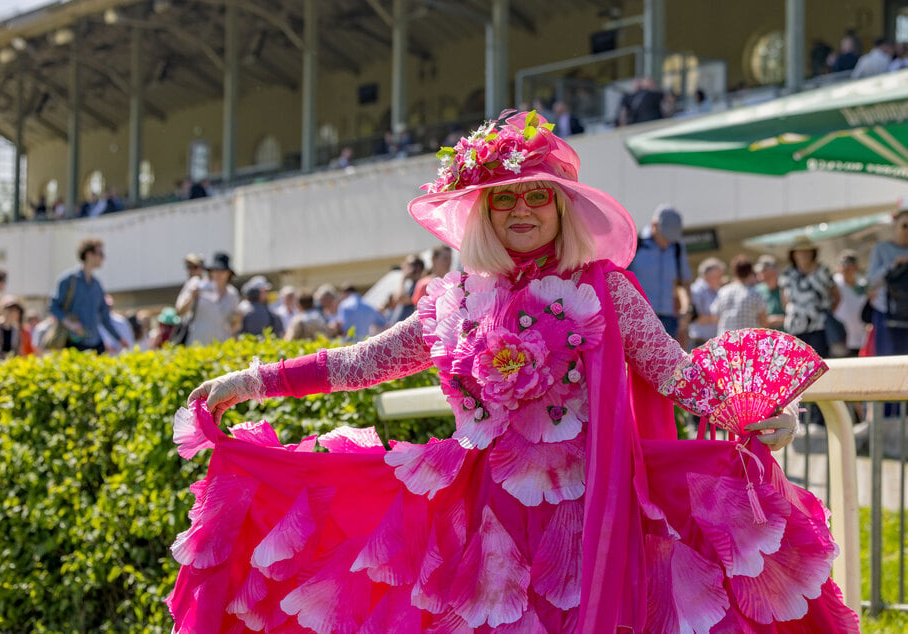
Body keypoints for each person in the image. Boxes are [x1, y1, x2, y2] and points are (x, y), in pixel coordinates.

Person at [172, 110, 858, 633]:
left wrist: (751, 411)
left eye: (536, 196)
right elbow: (364, 361)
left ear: (560, 206)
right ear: (481, 212)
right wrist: (255, 381)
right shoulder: (454, 297)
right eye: (504, 199)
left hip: (596, 512)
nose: (522, 210)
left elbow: (672, 372)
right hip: (480, 517)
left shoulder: (604, 288)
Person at [49, 239, 128, 354]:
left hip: (96, 343)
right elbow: (53, 306)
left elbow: (105, 317)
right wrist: (71, 325)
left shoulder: (97, 285)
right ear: (89, 255)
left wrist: (119, 339)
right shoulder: (68, 280)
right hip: (74, 342)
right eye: (100, 254)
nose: (103, 258)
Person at [627, 204, 692, 343]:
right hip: (640, 317)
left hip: (669, 319)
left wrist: (687, 308)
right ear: (654, 226)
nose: (668, 242)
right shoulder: (636, 243)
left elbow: (684, 282)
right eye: (666, 237)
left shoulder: (677, 248)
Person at [779, 236, 839, 359]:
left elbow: (836, 295)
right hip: (796, 326)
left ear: (813, 252)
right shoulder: (787, 274)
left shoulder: (823, 270)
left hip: (820, 325)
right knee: (799, 364)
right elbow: (784, 300)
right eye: (800, 251)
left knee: (820, 361)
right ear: (793, 254)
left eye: (807, 251)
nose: (804, 254)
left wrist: (828, 312)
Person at [867, 200, 908, 356]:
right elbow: (872, 281)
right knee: (887, 359)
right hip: (886, 313)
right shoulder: (881, 248)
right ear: (895, 226)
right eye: (905, 225)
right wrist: (893, 265)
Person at [175, 252, 241, 346]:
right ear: (211, 272)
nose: (218, 274)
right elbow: (180, 311)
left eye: (222, 271)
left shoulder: (232, 294)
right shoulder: (196, 285)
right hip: (197, 343)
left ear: (229, 274)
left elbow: (235, 325)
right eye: (216, 270)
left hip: (222, 346)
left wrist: (237, 320)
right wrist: (192, 297)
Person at [711, 254, 768, 333]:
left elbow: (714, 317)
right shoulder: (756, 294)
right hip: (748, 340)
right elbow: (763, 322)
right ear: (750, 272)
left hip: (726, 340)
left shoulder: (723, 291)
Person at [833, 250, 867, 357]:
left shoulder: (862, 285)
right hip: (841, 338)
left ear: (856, 267)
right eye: (843, 264)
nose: (845, 268)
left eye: (849, 265)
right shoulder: (835, 283)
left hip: (862, 338)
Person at [687, 257, 724, 349]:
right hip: (699, 343)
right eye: (718, 276)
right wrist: (719, 319)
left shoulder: (716, 290)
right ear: (709, 275)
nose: (721, 279)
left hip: (714, 343)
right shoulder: (695, 290)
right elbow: (696, 318)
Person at [754, 254, 785, 330]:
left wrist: (781, 320)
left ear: (773, 271)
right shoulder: (757, 290)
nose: (760, 274)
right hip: (765, 336)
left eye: (764, 270)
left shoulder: (784, 288)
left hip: (786, 336)